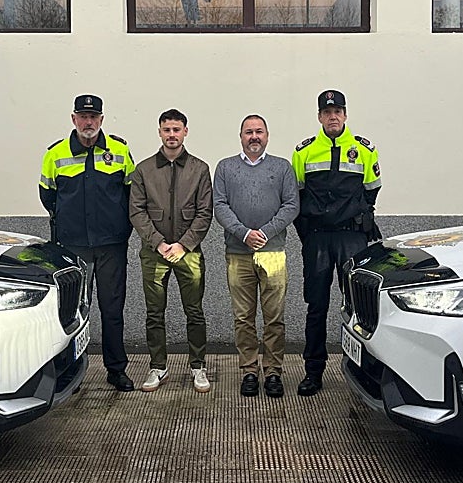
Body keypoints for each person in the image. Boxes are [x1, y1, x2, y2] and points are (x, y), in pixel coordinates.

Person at [40, 94, 136, 392]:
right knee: (74, 310)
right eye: (83, 116)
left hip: (111, 244)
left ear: (102, 120)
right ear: (73, 119)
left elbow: (132, 192)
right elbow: (47, 196)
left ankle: (116, 370)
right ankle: (72, 371)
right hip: (73, 246)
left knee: (112, 308)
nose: (88, 122)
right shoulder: (55, 154)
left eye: (94, 117)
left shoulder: (119, 150)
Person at [290, 89, 381, 396]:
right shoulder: (303, 152)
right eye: (327, 112)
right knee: (316, 306)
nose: (332, 116)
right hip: (317, 239)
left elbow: (371, 192)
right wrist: (307, 235)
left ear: (345, 114)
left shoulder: (364, 149)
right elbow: (296, 198)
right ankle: (313, 372)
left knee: (358, 309)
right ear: (319, 117)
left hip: (351, 238)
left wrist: (360, 222)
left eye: (338, 111)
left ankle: (361, 371)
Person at [128, 109, 214, 393]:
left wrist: (183, 244)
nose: (172, 135)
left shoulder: (200, 169)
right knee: (154, 313)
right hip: (155, 253)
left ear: (185, 131)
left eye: (177, 129)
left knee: (195, 312)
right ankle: (158, 367)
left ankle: (198, 367)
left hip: (188, 253)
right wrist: (159, 243)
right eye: (167, 130)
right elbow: (137, 212)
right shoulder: (144, 170)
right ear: (159, 132)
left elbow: (205, 213)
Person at [213, 114, 299, 398]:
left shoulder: (282, 167)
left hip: (273, 253)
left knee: (274, 317)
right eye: (248, 132)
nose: (254, 137)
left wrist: (264, 231)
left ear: (267, 136)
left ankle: (273, 372)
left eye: (259, 132)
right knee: (243, 318)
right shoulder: (225, 168)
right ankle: (249, 371)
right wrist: (243, 233)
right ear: (240, 136)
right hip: (238, 254)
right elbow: (220, 206)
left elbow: (291, 206)